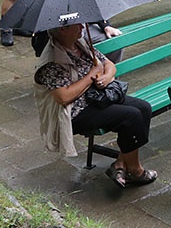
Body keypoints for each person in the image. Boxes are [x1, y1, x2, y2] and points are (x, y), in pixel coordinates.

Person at [34, 22, 156, 188]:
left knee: (143, 108)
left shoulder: (80, 43)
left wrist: (106, 76)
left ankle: (120, 163)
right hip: (75, 111)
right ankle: (135, 171)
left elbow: (108, 64)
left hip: (96, 97)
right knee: (131, 116)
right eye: (78, 25)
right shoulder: (52, 60)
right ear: (62, 29)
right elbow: (63, 97)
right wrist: (91, 75)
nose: (83, 28)